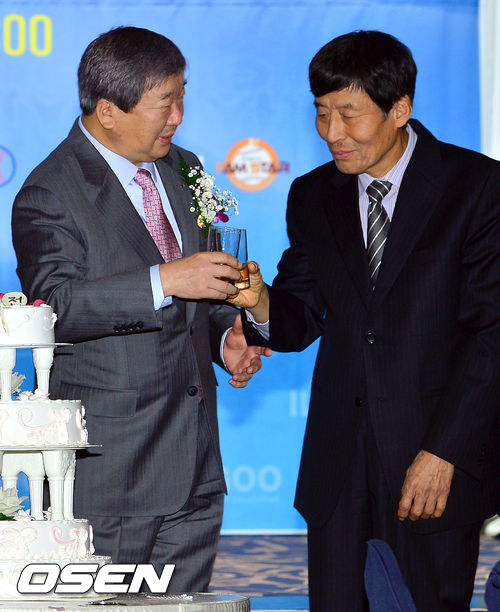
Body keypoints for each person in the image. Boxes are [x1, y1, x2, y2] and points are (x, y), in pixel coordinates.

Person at [233, 30, 500, 611]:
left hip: (433, 465)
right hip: (339, 471)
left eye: (349, 114)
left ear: (399, 109)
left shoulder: (477, 186)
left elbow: (492, 335)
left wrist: (445, 452)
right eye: (321, 113)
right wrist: (258, 302)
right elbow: (300, 315)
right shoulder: (313, 194)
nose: (333, 133)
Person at [12, 26, 270, 594]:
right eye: (165, 103)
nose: (179, 116)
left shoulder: (185, 167)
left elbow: (203, 291)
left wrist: (226, 337)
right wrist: (166, 278)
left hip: (196, 467)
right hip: (113, 476)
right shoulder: (51, 191)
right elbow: (55, 307)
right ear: (108, 111)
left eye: (183, 97)